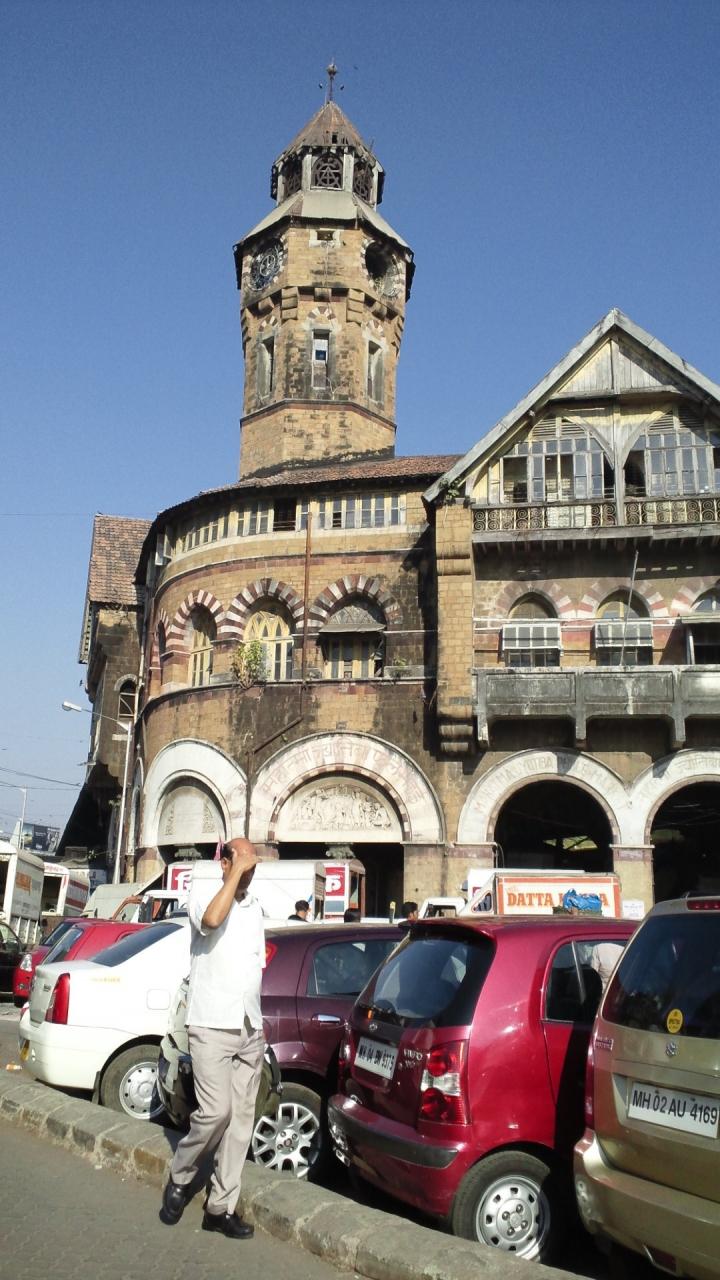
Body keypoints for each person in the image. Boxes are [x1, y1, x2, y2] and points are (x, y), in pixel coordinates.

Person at [160, 838, 265, 1240]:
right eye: (243, 862)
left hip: (249, 1026)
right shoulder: (203, 891)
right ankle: (180, 1175)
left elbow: (254, 966)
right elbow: (212, 921)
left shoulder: (255, 908)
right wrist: (235, 870)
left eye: (253, 866)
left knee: (240, 1123)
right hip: (210, 1024)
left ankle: (220, 1207)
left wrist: (258, 1023)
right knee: (215, 1112)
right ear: (224, 863)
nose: (249, 871)